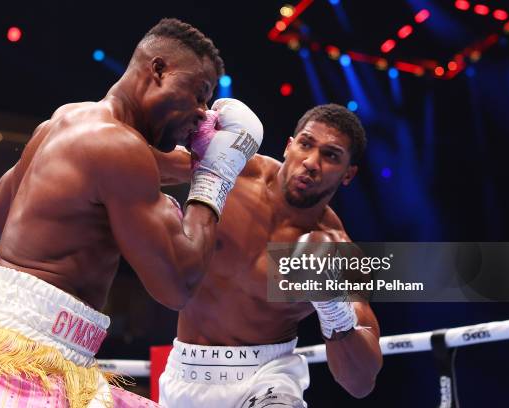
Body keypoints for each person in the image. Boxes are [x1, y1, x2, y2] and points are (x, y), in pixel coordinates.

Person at [0, 18, 263, 408]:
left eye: (330, 155)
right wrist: (214, 175)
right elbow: (176, 286)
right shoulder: (122, 149)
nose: (201, 112)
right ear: (158, 69)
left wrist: (338, 317)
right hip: (34, 361)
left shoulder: (66, 119)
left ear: (346, 172)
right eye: (199, 95)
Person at [154, 104, 383, 407]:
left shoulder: (337, 250)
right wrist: (185, 130)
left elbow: (360, 382)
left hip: (267, 377)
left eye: (331, 156)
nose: (311, 162)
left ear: (348, 174)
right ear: (289, 146)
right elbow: (130, 158)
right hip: (183, 373)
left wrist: (334, 307)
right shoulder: (233, 170)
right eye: (306, 144)